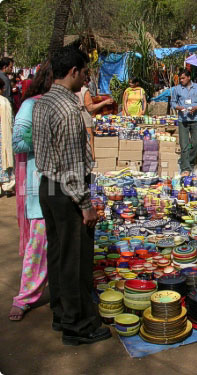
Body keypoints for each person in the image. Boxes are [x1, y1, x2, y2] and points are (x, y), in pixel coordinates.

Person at [32, 46, 110, 345]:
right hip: (67, 191)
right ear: (74, 71)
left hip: (48, 186)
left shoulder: (43, 102)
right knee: (74, 259)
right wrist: (85, 204)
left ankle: (61, 312)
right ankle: (77, 325)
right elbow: (71, 163)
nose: (86, 79)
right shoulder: (67, 109)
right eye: (85, 73)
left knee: (58, 253)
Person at [9, 61, 53, 321]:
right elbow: (17, 141)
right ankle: (25, 296)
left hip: (63, 183)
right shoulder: (31, 105)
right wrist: (48, 137)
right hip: (38, 186)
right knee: (38, 243)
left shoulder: (64, 103)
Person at [171, 69, 197, 177]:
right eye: (180, 78)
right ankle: (186, 168)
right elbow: (173, 103)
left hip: (195, 119)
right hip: (183, 120)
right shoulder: (177, 89)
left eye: (183, 78)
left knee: (196, 143)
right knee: (184, 144)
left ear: (189, 77)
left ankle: (185, 160)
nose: (181, 80)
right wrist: (179, 107)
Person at [76, 77, 114, 158]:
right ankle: (91, 163)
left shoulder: (70, 90)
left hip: (75, 120)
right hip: (85, 122)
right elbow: (90, 107)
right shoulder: (84, 90)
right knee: (89, 145)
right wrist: (105, 102)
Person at [0, 79, 14, 196]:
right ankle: (6, 186)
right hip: (3, 136)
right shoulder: (4, 102)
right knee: (4, 159)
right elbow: (10, 121)